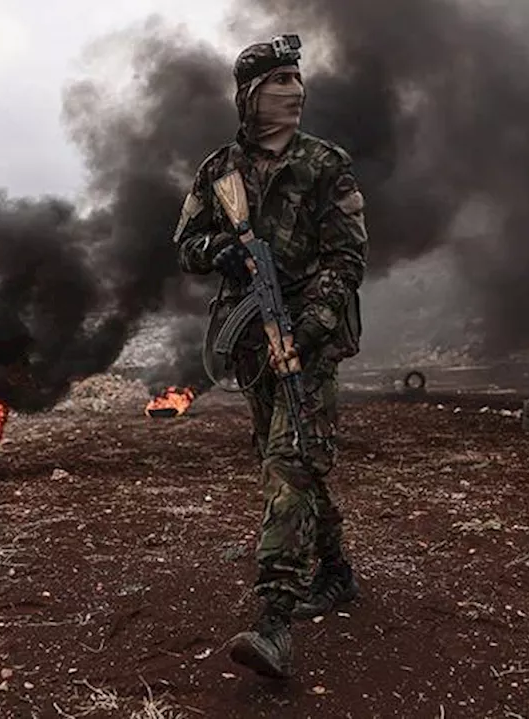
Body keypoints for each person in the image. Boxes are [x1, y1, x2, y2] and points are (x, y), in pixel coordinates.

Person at [171, 34, 369, 679]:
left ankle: (274, 621)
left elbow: (348, 260)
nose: (292, 88)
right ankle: (335, 571)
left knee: (288, 467)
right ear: (250, 96)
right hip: (250, 340)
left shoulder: (324, 164)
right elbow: (187, 241)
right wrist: (218, 252)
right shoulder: (219, 170)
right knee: (291, 462)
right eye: (278, 78)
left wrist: (308, 327)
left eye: (295, 77)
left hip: (308, 340)